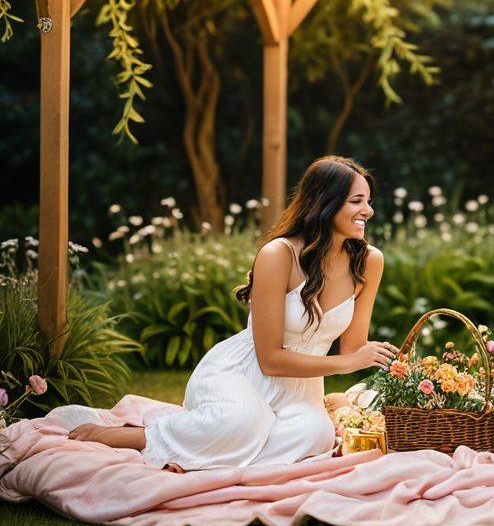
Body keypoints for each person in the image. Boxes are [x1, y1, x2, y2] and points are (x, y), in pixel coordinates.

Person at [66, 156, 398, 471]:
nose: (367, 211)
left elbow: (354, 348)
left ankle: (210, 446)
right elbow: (270, 359)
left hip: (300, 392)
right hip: (241, 375)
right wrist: (348, 364)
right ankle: (144, 437)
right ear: (325, 202)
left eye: (368, 201)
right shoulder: (277, 254)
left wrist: (392, 367)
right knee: (244, 421)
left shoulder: (369, 261)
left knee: (317, 435)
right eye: (356, 201)